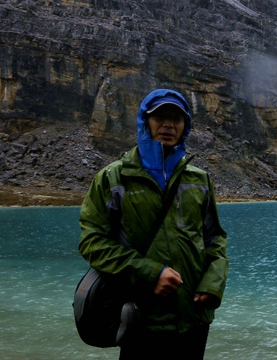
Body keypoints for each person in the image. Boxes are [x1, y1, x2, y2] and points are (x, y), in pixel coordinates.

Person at [79, 89, 228, 359]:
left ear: (186, 126)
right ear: (144, 122)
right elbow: (93, 243)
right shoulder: (114, 179)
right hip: (142, 315)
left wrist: (213, 284)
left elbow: (214, 238)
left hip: (194, 317)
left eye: (177, 119)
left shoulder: (199, 180)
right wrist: (151, 273)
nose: (168, 125)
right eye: (159, 116)